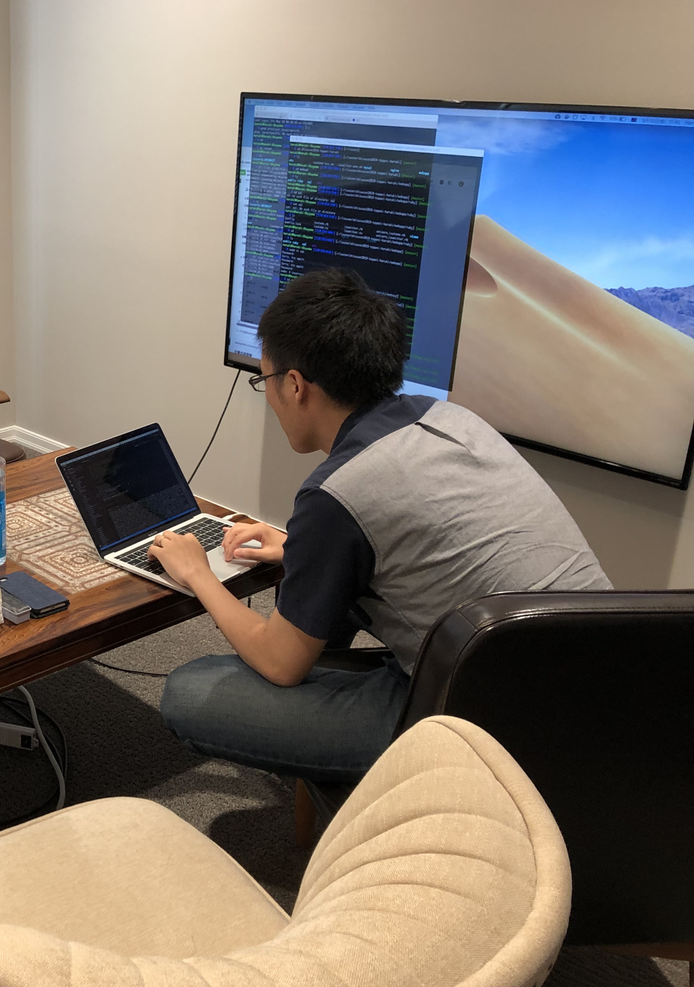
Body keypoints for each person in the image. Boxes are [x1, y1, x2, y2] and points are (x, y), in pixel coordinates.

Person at [148, 267, 610, 783]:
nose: (269, 396)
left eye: (265, 381)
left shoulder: (336, 495)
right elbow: (421, 533)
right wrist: (301, 548)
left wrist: (198, 575)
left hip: (499, 727)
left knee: (190, 690)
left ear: (295, 386)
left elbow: (280, 665)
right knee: (330, 592)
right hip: (604, 679)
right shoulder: (452, 418)